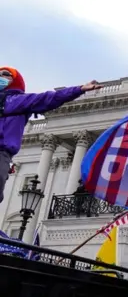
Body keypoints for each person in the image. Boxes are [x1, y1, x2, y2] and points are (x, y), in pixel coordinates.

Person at [0, 67, 102, 204]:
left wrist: (79, 89)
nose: (0, 76)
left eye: (5, 75)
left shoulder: (16, 101)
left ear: (15, 81)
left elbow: (49, 98)